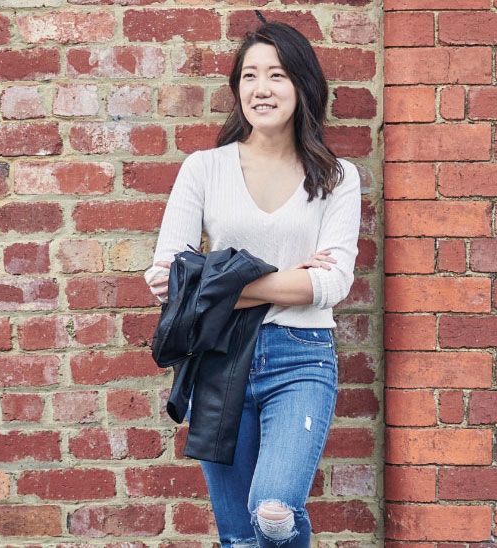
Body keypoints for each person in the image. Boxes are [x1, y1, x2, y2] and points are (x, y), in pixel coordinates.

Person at [142, 19, 362, 548]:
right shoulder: (204, 169)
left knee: (274, 511)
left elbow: (332, 283)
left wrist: (217, 284)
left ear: (302, 85)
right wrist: (284, 278)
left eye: (277, 75)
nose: (261, 88)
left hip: (301, 356)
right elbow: (167, 278)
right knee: (240, 538)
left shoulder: (336, 177)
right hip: (218, 358)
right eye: (249, 76)